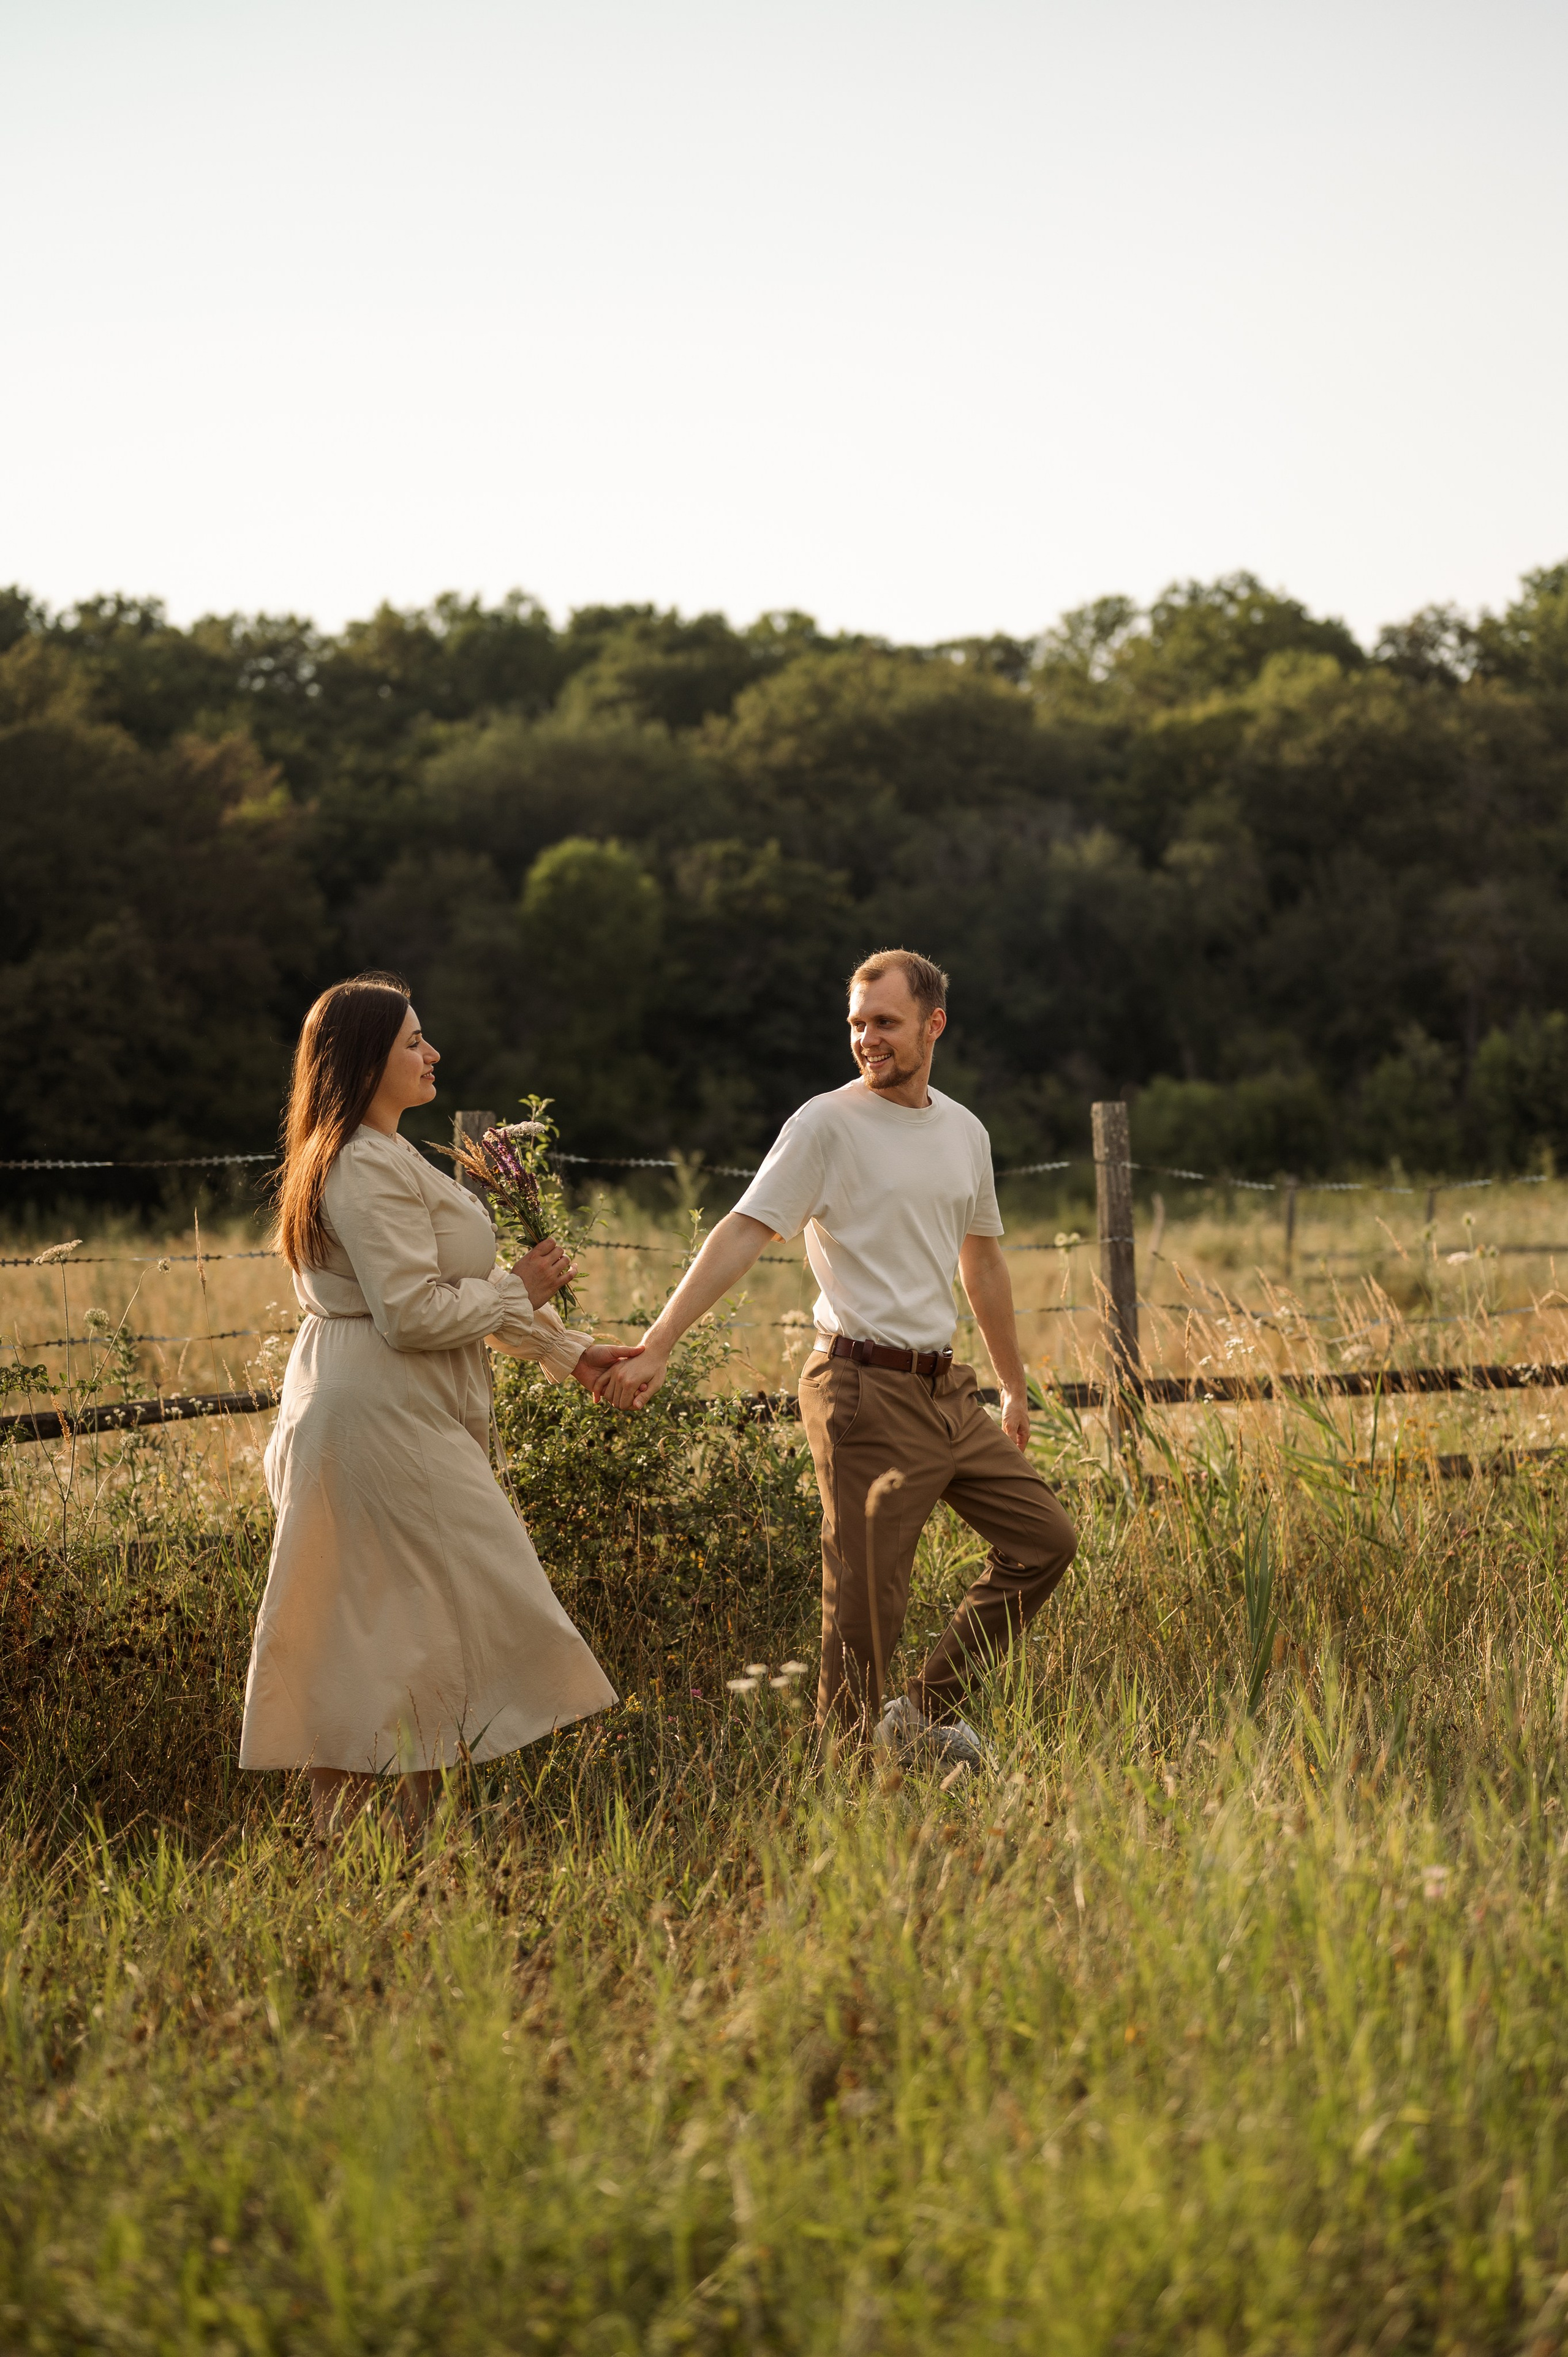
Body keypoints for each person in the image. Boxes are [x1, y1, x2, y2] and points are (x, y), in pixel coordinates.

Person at [597, 949, 1077, 1765]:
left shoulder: (965, 1131)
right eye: (856, 1023)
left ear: (935, 1024)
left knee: (1046, 1541)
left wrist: (1011, 1384)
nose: (866, 1039)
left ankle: (922, 1716)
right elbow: (744, 1231)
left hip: (945, 1391)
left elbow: (983, 1261)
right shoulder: (825, 1124)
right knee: (866, 1609)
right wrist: (659, 1345)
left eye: (884, 1022)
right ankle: (845, 1779)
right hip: (861, 1387)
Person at [240, 972, 635, 1838]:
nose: (433, 1053)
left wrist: (572, 1355)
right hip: (378, 1412)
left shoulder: (387, 1153)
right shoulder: (357, 1163)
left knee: (399, 1629)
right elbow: (415, 1312)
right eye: (414, 1041)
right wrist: (523, 1288)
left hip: (387, 1403)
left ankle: (391, 1839)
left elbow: (457, 1298)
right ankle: (368, 1836)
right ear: (364, 1056)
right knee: (417, 1618)